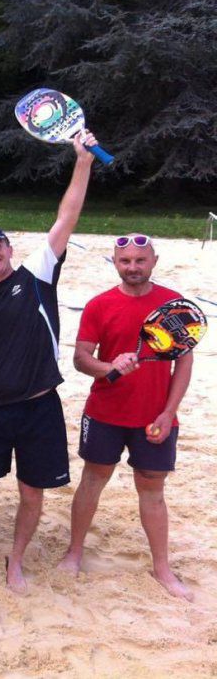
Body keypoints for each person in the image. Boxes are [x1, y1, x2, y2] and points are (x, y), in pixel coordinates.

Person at [0, 133, 98, 593]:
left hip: (39, 405)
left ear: (9, 249)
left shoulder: (37, 274)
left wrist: (83, 162)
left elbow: (66, 215)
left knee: (32, 492)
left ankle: (15, 561)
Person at [57, 234, 194, 600]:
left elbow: (184, 362)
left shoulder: (172, 304)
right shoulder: (99, 305)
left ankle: (162, 568)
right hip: (105, 413)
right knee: (93, 480)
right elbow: (81, 359)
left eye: (140, 260)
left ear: (154, 260)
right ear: (114, 263)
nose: (133, 267)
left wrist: (169, 413)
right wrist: (109, 366)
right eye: (125, 261)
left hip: (155, 417)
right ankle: (74, 552)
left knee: (152, 490)